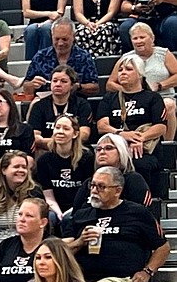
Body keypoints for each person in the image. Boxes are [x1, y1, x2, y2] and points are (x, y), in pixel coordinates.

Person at [66, 166, 169, 282]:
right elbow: (61, 252)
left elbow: (163, 247)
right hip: (83, 277)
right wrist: (80, 241)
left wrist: (147, 272)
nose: (94, 191)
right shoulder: (81, 215)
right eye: (92, 186)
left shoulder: (138, 213)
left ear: (117, 191)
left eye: (101, 187)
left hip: (123, 279)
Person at [95, 54, 166, 190]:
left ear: (139, 74)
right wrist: (121, 134)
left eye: (128, 69)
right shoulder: (110, 98)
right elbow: (102, 126)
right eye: (120, 70)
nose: (123, 73)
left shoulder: (153, 98)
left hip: (143, 149)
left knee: (140, 164)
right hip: (116, 148)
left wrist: (139, 138)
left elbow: (161, 127)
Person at [119, 23, 177, 140]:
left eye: (142, 37)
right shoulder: (126, 58)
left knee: (168, 105)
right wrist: (129, 88)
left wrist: (160, 85)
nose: (138, 41)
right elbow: (111, 84)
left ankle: (168, 145)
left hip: (163, 96)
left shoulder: (163, 53)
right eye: (135, 38)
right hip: (136, 98)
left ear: (152, 38)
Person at [22, 20, 101, 98]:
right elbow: (26, 88)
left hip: (76, 103)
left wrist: (79, 87)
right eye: (57, 39)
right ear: (51, 36)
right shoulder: (40, 56)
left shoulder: (84, 57)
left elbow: (95, 88)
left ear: (73, 36)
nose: (60, 43)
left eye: (64, 39)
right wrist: (32, 84)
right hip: (46, 104)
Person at [37, 113, 94, 220]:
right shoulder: (44, 160)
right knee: (51, 217)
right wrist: (59, 214)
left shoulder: (87, 158)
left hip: (80, 206)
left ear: (75, 134)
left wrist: (71, 212)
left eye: (66, 128)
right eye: (57, 128)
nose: (60, 131)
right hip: (55, 207)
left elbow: (87, 193)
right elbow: (48, 196)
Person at [28, 65, 95, 150]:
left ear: (72, 85)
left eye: (63, 81)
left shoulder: (82, 104)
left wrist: (64, 142)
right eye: (55, 81)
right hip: (47, 150)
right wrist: (59, 142)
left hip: (75, 149)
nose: (58, 84)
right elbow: (35, 136)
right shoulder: (39, 105)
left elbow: (84, 134)